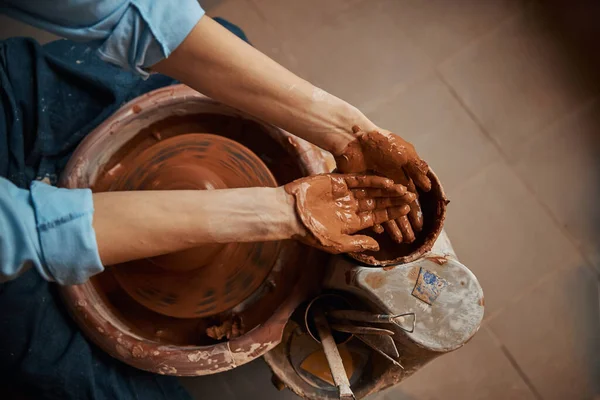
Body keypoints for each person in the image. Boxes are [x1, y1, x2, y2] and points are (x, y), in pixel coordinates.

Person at [0, 1, 431, 399]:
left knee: (224, 36)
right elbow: (22, 233)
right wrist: (281, 213)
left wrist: (346, 132)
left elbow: (131, 12)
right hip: (23, 254)